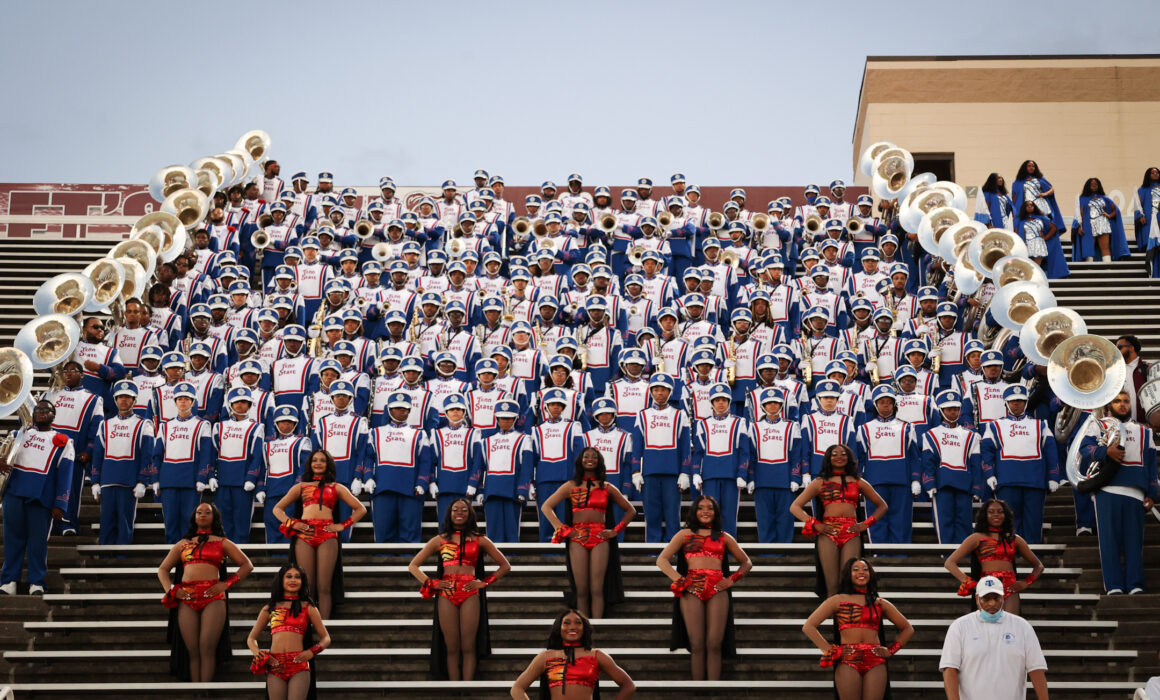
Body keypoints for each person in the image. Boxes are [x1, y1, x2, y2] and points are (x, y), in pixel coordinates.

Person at [409, 497, 510, 681]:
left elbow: (505, 565)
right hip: (446, 593)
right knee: (452, 646)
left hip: (470, 592)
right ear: (449, 513)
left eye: (464, 509)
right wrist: (431, 583)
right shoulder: (439, 540)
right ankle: (455, 688)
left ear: (470, 513)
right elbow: (413, 566)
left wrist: (484, 583)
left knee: (468, 646)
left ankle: (467, 688)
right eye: (455, 509)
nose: (459, 513)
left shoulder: (481, 540)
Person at [657, 495, 752, 681]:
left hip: (717, 588)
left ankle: (714, 692)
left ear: (715, 512)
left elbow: (746, 562)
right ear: (694, 511)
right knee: (697, 644)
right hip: (692, 587)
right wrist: (680, 580)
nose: (705, 511)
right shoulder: (684, 535)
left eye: (710, 508)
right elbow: (661, 560)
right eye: (701, 508)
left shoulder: (724, 536)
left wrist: (731, 580)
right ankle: (699, 692)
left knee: (714, 644)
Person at [157, 502, 254, 682]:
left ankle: (206, 691)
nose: (202, 514)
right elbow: (162, 570)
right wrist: (171, 590)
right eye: (199, 512)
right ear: (194, 517)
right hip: (187, 596)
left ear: (214, 517)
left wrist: (226, 584)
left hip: (213, 596)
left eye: (207, 512)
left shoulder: (222, 542)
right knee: (192, 650)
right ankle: (197, 693)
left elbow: (247, 565)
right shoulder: (183, 544)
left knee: (206, 647)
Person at [1078, 390, 1158, 594]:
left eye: (1125, 401)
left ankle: (1135, 584)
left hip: (1136, 492)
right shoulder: (1099, 424)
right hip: (1107, 490)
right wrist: (1106, 452)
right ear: (1109, 404)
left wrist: (1152, 494)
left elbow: (1150, 466)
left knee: (1134, 544)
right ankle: (1113, 586)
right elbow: (1085, 449)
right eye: (1117, 401)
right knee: (1109, 542)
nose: (1122, 404)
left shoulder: (1145, 431)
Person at [541, 447, 636, 618]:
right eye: (586, 456)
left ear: (599, 461)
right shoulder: (570, 486)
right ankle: (584, 629)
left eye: (594, 456)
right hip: (578, 536)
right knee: (582, 589)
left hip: (600, 536)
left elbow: (630, 510)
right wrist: (563, 529)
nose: (590, 459)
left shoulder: (607, 487)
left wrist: (616, 531)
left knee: (596, 588)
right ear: (580, 460)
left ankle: (597, 628)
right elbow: (546, 506)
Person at [272, 449, 367, 619]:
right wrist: (293, 523)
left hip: (327, 534)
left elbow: (361, 509)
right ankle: (305, 627)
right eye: (314, 460)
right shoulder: (300, 487)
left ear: (328, 464)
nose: (318, 463)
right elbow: (277, 509)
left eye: (322, 460)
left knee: (324, 587)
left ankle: (324, 627)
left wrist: (341, 526)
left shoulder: (337, 487)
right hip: (304, 534)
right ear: (310, 464)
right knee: (307, 586)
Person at [802, 557, 913, 700]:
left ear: (871, 574)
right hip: (848, 659)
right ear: (849, 574)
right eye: (855, 569)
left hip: (875, 659)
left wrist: (891, 650)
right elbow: (809, 626)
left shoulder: (879, 603)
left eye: (865, 569)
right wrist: (831, 651)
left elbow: (907, 628)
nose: (861, 572)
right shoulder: (837, 600)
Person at [791, 444, 888, 597]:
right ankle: (833, 619)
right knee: (832, 585)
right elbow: (795, 507)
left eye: (843, 454)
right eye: (834, 454)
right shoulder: (819, 482)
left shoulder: (858, 481)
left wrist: (865, 525)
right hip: (828, 532)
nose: (839, 457)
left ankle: (847, 620)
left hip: (851, 532)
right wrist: (816, 524)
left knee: (849, 583)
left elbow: (882, 506)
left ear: (849, 458)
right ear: (828, 458)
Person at [0, 399, 75, 595]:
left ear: (53, 415)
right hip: (14, 494)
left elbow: (65, 475)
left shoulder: (63, 441)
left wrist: (61, 503)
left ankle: (36, 582)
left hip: (42, 498)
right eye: (38, 409)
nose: (41, 412)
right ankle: (9, 581)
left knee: (38, 542)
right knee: (12, 539)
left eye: (46, 410)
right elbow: (5, 458)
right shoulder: (18, 435)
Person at [939, 575, 1048, 700]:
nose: (992, 603)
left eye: (996, 598)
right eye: (986, 598)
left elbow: (1036, 669)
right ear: (977, 598)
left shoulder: (1022, 626)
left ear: (1003, 598)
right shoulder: (960, 626)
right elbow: (950, 669)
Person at [246, 563, 331, 700]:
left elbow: (326, 638)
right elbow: (251, 639)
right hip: (275, 665)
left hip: (298, 664)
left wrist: (311, 652)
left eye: (297, 577)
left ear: (302, 582)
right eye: (289, 576)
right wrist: (260, 655)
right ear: (281, 580)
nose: (293, 580)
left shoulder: (309, 608)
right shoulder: (269, 608)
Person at [510, 609, 636, 700]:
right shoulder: (546, 656)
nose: (572, 627)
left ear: (584, 627)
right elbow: (517, 689)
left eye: (578, 622)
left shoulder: (597, 655)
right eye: (566, 623)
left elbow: (629, 686)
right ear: (559, 627)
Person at [944, 499, 1044, 613]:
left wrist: (1026, 583)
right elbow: (949, 563)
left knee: (1010, 625)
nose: (996, 514)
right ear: (984, 515)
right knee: (987, 627)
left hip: (1009, 587)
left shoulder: (1014, 539)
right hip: (987, 586)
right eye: (991, 511)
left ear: (1005, 515)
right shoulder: (976, 537)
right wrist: (970, 583)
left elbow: (1039, 565)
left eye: (1000, 511)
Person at [90, 380, 156, 545]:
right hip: (107, 481)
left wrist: (142, 481)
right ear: (115, 400)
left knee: (125, 523)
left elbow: (148, 456)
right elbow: (97, 455)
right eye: (120, 397)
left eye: (128, 397)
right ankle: (105, 559)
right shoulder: (105, 425)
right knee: (106, 522)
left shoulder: (144, 424)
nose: (124, 400)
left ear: (134, 400)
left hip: (129, 482)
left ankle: (122, 557)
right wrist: (95, 481)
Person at [1072, 177, 1130, 262]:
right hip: (1089, 225)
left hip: (1103, 224)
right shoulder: (1083, 199)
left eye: (1096, 184)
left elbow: (1116, 210)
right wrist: (1079, 226)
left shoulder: (1104, 198)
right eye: (1092, 184)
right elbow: (1080, 214)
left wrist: (1109, 215)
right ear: (1088, 186)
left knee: (1105, 248)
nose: (1094, 185)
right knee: (1089, 248)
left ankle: (1108, 270)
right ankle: (1089, 270)